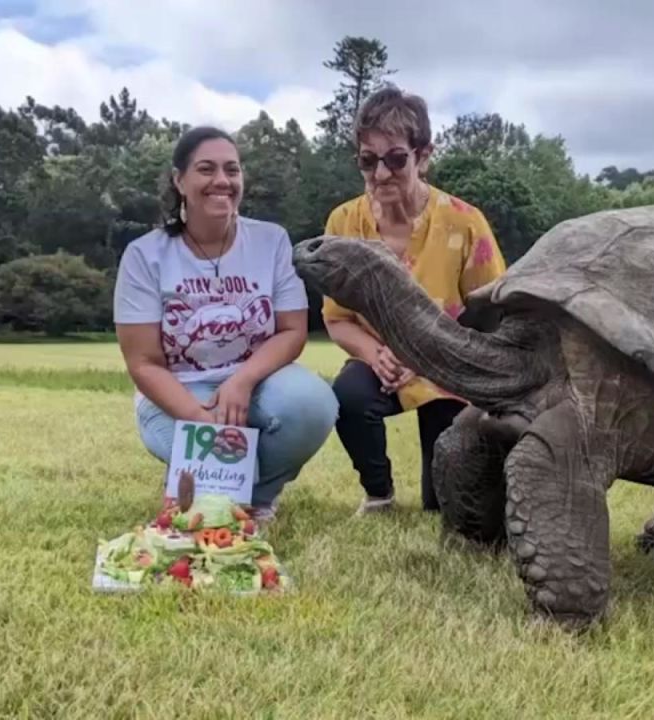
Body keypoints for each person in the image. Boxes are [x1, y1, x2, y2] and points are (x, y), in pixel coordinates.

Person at [114, 125, 338, 526]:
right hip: (177, 393)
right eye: (206, 169)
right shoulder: (143, 255)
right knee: (209, 501)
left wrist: (243, 381)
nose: (222, 180)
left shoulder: (271, 241)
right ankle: (220, 489)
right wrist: (200, 422)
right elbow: (144, 363)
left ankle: (258, 496)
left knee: (314, 403)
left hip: (254, 386)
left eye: (232, 170)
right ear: (179, 180)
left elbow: (292, 331)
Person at [321, 87, 508, 516]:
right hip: (380, 362)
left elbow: (492, 316)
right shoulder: (344, 222)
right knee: (348, 395)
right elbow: (336, 318)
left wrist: (428, 356)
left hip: (448, 366)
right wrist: (375, 354)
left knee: (442, 504)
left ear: (423, 155)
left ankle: (442, 489)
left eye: (396, 158)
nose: (381, 173)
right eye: (368, 160)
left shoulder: (465, 222)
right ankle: (379, 493)